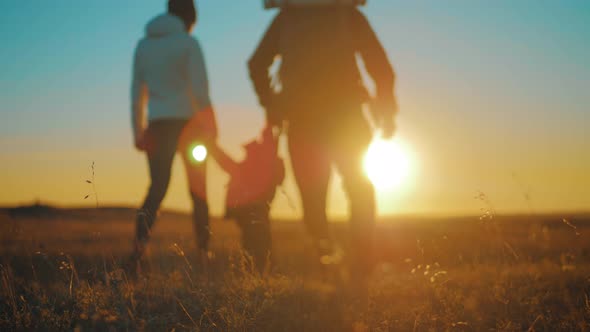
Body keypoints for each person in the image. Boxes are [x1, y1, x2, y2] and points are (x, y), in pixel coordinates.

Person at [248, 3, 397, 274]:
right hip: (346, 115)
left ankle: (326, 252)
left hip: (302, 119)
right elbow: (380, 64)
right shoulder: (349, 15)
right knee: (359, 186)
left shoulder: (286, 19)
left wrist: (273, 103)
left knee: (312, 195)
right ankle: (361, 264)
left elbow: (256, 64)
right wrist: (386, 110)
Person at [129, 0, 217, 270]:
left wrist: (138, 131)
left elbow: (136, 94)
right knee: (198, 189)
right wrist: (211, 124)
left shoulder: (143, 45)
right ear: (190, 17)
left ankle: (139, 249)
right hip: (190, 127)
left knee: (157, 188)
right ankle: (203, 252)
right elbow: (200, 91)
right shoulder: (189, 44)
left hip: (157, 126)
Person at [207, 126, 285, 273]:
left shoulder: (262, 164)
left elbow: (226, 163)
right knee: (258, 242)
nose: (247, 153)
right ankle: (262, 273)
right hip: (253, 209)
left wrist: (212, 147)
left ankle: (258, 273)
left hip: (251, 209)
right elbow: (226, 163)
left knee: (255, 242)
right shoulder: (270, 162)